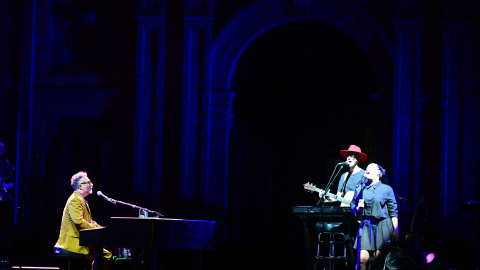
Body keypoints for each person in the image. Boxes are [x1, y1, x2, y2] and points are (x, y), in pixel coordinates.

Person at [54, 171, 112, 269]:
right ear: (80, 186)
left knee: (105, 254)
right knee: (105, 256)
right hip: (73, 243)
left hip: (81, 241)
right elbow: (78, 221)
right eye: (88, 183)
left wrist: (102, 229)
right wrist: (98, 230)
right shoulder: (75, 199)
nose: (92, 184)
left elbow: (89, 222)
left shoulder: (80, 199)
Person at [350, 163, 399, 270]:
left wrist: (396, 230)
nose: (368, 169)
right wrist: (358, 208)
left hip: (382, 226)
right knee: (362, 259)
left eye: (371, 167)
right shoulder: (360, 188)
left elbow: (393, 211)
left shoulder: (386, 189)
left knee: (377, 260)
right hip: (366, 225)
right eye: (367, 168)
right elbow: (352, 206)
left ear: (379, 172)